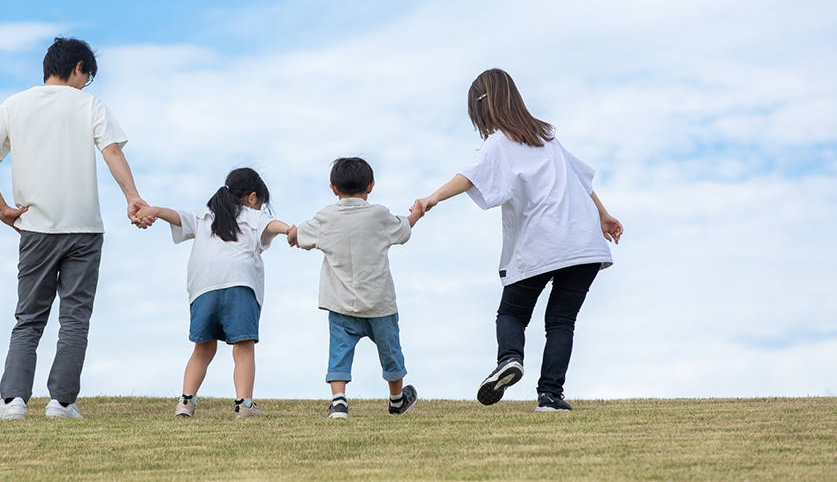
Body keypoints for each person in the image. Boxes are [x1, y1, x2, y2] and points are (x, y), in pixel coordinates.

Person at [414, 68, 623, 412]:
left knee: (511, 313)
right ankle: (550, 396)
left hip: (543, 241)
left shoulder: (498, 142)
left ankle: (510, 358)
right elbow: (580, 180)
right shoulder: (546, 136)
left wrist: (431, 199)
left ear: (482, 108)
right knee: (561, 321)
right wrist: (603, 214)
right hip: (583, 240)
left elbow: (467, 177)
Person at [0, 37, 151, 421]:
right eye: (87, 77)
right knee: (74, 318)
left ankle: (13, 403)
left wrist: (2, 208)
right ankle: (62, 404)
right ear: (78, 69)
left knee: (29, 317)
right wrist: (132, 196)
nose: (85, 85)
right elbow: (112, 152)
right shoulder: (90, 105)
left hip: (35, 227)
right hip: (84, 229)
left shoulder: (13, 105)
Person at [135, 168, 292, 420]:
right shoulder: (252, 215)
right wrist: (288, 230)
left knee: (202, 349)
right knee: (243, 349)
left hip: (203, 287)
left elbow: (175, 216)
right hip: (239, 283)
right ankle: (244, 405)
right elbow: (270, 223)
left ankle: (186, 402)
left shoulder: (204, 215)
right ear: (252, 198)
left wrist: (153, 210)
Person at [288, 157, 422, 419]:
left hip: (340, 303)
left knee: (339, 352)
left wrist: (292, 234)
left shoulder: (325, 217)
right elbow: (404, 229)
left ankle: (339, 403)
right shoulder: (379, 215)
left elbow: (299, 236)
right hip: (379, 303)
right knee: (390, 351)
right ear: (370, 186)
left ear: (333, 188)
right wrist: (417, 212)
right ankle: (397, 400)